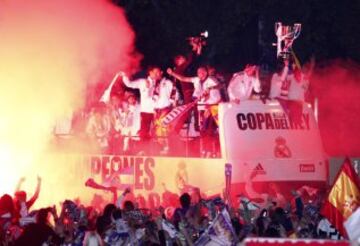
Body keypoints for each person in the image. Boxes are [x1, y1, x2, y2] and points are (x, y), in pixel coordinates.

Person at [167, 66, 221, 156]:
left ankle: (210, 151)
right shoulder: (196, 80)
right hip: (200, 106)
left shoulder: (211, 80)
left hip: (211, 107)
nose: (200, 74)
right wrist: (172, 73)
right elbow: (183, 79)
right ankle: (205, 150)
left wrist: (210, 89)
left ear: (206, 73)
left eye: (202, 72)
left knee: (208, 129)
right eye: (198, 72)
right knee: (201, 129)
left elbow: (219, 85)